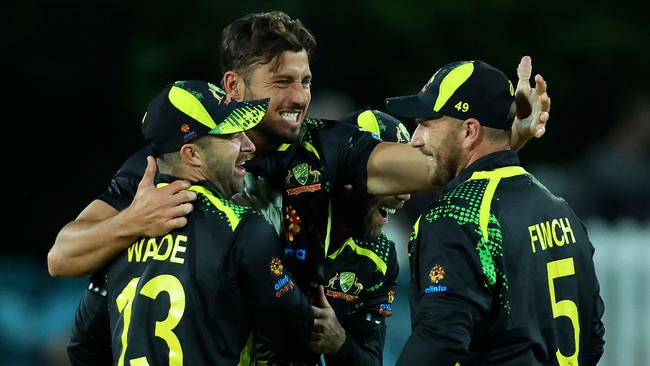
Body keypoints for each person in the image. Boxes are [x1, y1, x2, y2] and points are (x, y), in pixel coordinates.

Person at [47, 11, 550, 364]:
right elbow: (62, 256)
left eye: (305, 81)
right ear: (233, 86)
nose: (299, 97)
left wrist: (509, 137)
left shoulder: (326, 148)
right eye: (282, 81)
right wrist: (131, 222)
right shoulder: (170, 163)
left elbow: (433, 168)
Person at [384, 60, 604, 365]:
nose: (415, 139)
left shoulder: (456, 215)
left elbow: (438, 342)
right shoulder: (562, 211)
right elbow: (592, 339)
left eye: (427, 123)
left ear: (469, 132)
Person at [103, 80, 314, 365]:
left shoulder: (116, 234)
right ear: (192, 154)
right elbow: (294, 334)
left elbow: (85, 342)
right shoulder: (243, 227)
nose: (249, 145)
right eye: (232, 136)